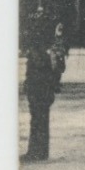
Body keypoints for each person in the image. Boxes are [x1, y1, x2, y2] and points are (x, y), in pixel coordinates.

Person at [22, 31, 61, 162]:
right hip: (40, 88)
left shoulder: (41, 54)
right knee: (38, 120)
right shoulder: (43, 53)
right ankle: (38, 151)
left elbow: (52, 70)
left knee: (38, 119)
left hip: (41, 88)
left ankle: (37, 152)